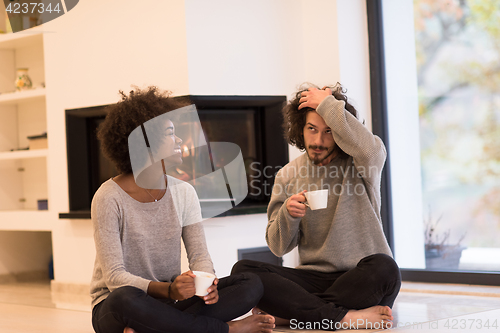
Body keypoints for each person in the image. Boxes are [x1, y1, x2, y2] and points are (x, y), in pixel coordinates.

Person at [90, 86, 275, 333]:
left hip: (169, 304)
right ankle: (227, 330)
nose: (179, 141)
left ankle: (157, 328)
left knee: (249, 283)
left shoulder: (183, 192)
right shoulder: (108, 197)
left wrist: (206, 283)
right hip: (118, 307)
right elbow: (114, 278)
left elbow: (199, 255)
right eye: (170, 134)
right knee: (124, 298)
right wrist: (168, 289)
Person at [232, 83, 401, 330]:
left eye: (329, 131)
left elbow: (371, 148)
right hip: (312, 278)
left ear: (340, 130)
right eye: (312, 129)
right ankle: (344, 318)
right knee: (243, 270)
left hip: (361, 276)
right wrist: (288, 214)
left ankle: (295, 316)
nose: (318, 140)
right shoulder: (288, 175)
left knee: (385, 267)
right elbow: (278, 247)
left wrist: (327, 103)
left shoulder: (362, 163)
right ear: (301, 129)